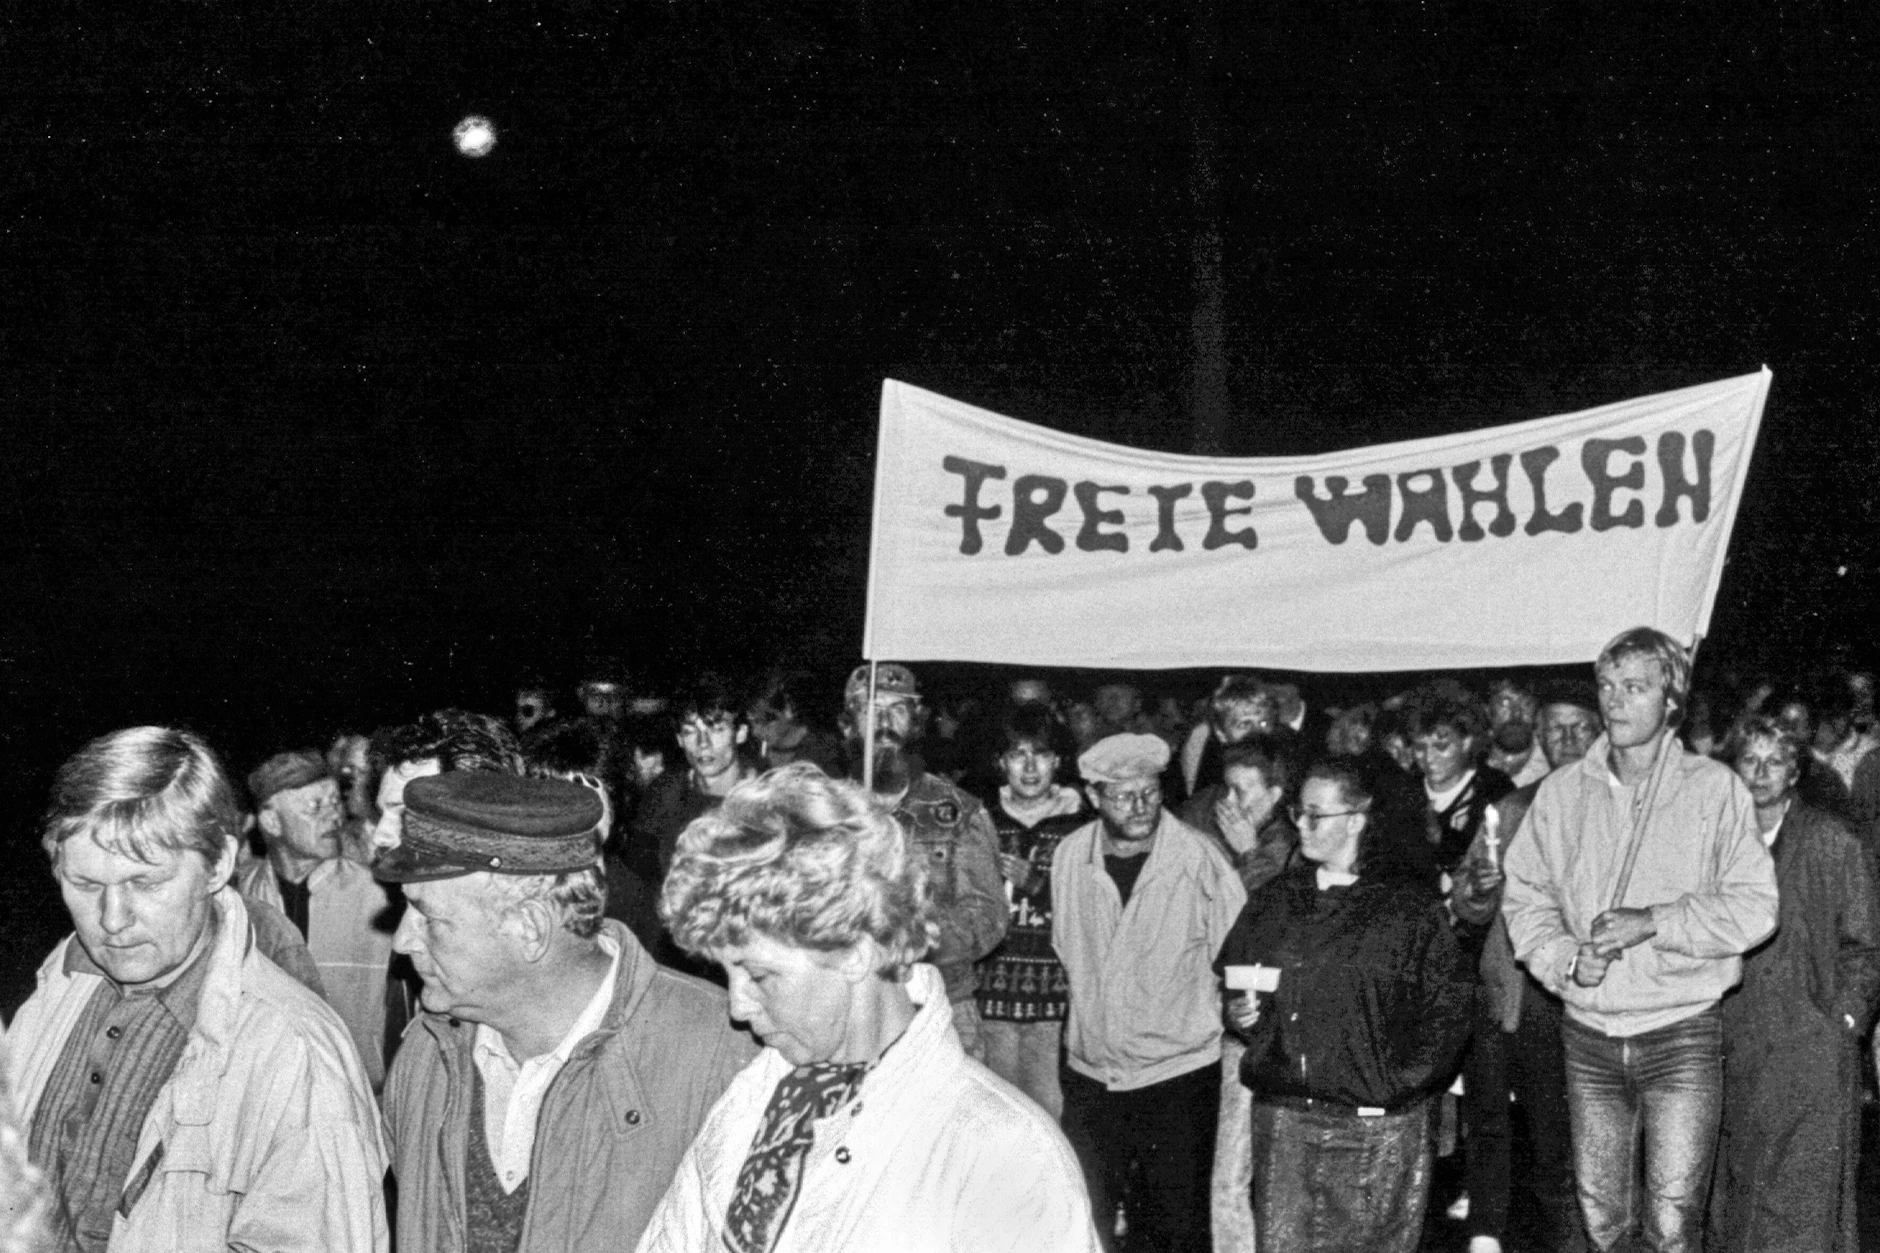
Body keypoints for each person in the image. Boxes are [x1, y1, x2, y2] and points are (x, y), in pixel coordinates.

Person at [637, 764, 1101, 1253]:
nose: (737, 1006)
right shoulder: (747, 1103)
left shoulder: (1005, 1157)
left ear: (856, 950)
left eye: (758, 975)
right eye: (724, 973)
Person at [6, 726, 387, 1252]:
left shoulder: (297, 1055)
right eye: (87, 885)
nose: (112, 919)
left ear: (219, 864)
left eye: (147, 883)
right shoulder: (54, 992)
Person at [377, 771, 755, 1253]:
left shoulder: (720, 1060)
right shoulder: (426, 1059)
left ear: (530, 929)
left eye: (428, 917)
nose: (402, 941)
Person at [1502, 627, 1778, 1253]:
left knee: (1674, 1223)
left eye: (1634, 687)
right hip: (1588, 1038)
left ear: (1671, 700)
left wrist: (1654, 920)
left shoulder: (1715, 788)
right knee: (1602, 1221)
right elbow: (1525, 899)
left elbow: (1755, 908)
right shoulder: (1562, 793)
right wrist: (1566, 960)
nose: (1615, 702)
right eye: (1607, 686)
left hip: (1680, 1032)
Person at [1219, 758, 1474, 1253]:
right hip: (1287, 1120)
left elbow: (1450, 1013)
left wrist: (1394, 1086)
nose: (1302, 826)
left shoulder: (1407, 909)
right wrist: (1241, 1015)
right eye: (1299, 813)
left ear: (1357, 819)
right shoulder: (1277, 899)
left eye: (1317, 815)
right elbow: (1238, 984)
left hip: (1375, 1129)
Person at [1052, 733, 1247, 1253]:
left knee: (1173, 1229)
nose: (1140, 807)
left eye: (1150, 793)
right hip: (1092, 1074)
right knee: (1084, 1218)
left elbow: (1241, 956)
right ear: (1093, 797)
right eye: (1122, 796)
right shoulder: (1070, 857)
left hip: (1177, 1076)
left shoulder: (1200, 859)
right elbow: (1069, 950)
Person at [1709, 716, 1880, 1253]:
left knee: (1803, 1205)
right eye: (1749, 760)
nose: (1760, 773)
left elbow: (1866, 944)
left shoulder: (1831, 840)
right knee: (1738, 1198)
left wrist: (1842, 1025)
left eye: (1775, 761)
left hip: (1810, 1050)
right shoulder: (1715, 841)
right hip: (1734, 1043)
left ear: (1795, 772)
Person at [1449, 680, 1601, 1253]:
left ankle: (1568, 1239)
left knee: (1555, 1139)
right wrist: (1480, 891)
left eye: (1578, 727)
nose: (1565, 738)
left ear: (1599, 731)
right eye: (1554, 728)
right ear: (1539, 734)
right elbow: (1468, 901)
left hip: (1566, 995)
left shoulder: (1612, 804)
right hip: (1506, 985)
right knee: (1487, 1121)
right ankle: (1485, 1233)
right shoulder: (1513, 807)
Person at [842, 662, 1007, 1059]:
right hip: (849, 1007)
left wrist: (905, 937)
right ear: (848, 725)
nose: (882, 721)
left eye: (896, 709)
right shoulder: (826, 812)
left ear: (918, 724)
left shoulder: (958, 812)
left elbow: (988, 919)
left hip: (940, 1006)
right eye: (869, 709)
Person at [1178, 735, 1299, 1253]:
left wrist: (1249, 853)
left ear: (1276, 793)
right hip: (1238, 1027)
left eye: (1244, 792)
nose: (1231, 806)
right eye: (1226, 791)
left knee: (1282, 1175)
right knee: (1227, 1175)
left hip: (1290, 1035)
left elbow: (1277, 915)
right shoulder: (1214, 839)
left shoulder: (1297, 845)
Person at [238, 749, 405, 1090]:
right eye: (315, 806)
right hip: (267, 1094)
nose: (334, 817)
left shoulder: (379, 896)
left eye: (334, 802)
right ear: (271, 822)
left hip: (359, 1093)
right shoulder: (238, 898)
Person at [973, 703, 1087, 1118]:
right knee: (996, 1113)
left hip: (1053, 992)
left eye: (1040, 754)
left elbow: (1090, 906)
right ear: (1001, 763)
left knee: (1045, 1113)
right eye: (1018, 754)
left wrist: (1037, 886)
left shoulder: (1080, 826)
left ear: (1057, 761)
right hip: (991, 990)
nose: (1030, 767)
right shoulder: (980, 820)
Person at [632, 673, 759, 881]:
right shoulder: (663, 794)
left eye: (717, 729)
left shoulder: (765, 797)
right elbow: (641, 881)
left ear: (741, 733)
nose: (703, 743)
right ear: (679, 739)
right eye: (691, 732)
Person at [744, 668, 844, 775]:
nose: (755, 732)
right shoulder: (757, 754)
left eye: (763, 722)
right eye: (752, 722)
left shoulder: (825, 753)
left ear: (788, 710)